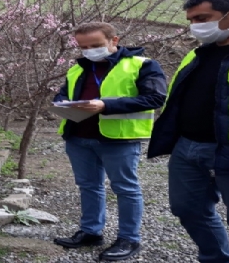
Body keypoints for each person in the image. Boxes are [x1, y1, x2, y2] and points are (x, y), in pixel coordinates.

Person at [147, 0, 229, 263]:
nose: (195, 26)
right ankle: (217, 259)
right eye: (191, 20)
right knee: (188, 209)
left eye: (202, 18)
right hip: (188, 148)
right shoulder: (197, 54)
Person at [52, 22, 167, 261]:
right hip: (79, 136)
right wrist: (62, 102)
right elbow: (63, 93)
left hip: (119, 139)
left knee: (126, 189)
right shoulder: (78, 68)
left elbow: (155, 97)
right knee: (88, 186)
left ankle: (129, 239)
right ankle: (91, 232)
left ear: (114, 40)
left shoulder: (142, 65)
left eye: (95, 45)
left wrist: (106, 105)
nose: (89, 50)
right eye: (83, 46)